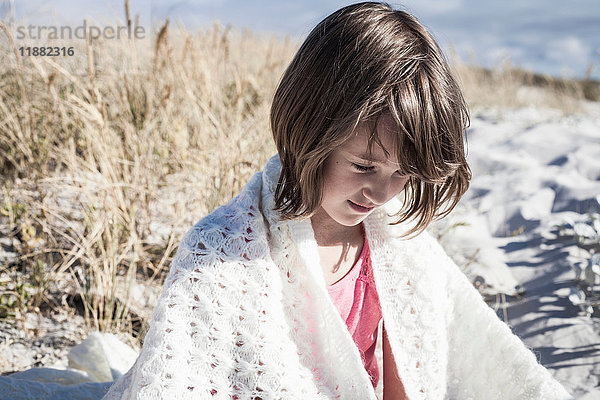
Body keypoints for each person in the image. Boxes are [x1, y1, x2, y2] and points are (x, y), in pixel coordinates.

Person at [103, 2, 573, 399]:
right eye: (364, 167)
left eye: (403, 173)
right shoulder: (224, 252)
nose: (382, 193)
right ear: (311, 130)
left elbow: (410, 376)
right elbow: (179, 382)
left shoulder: (397, 245)